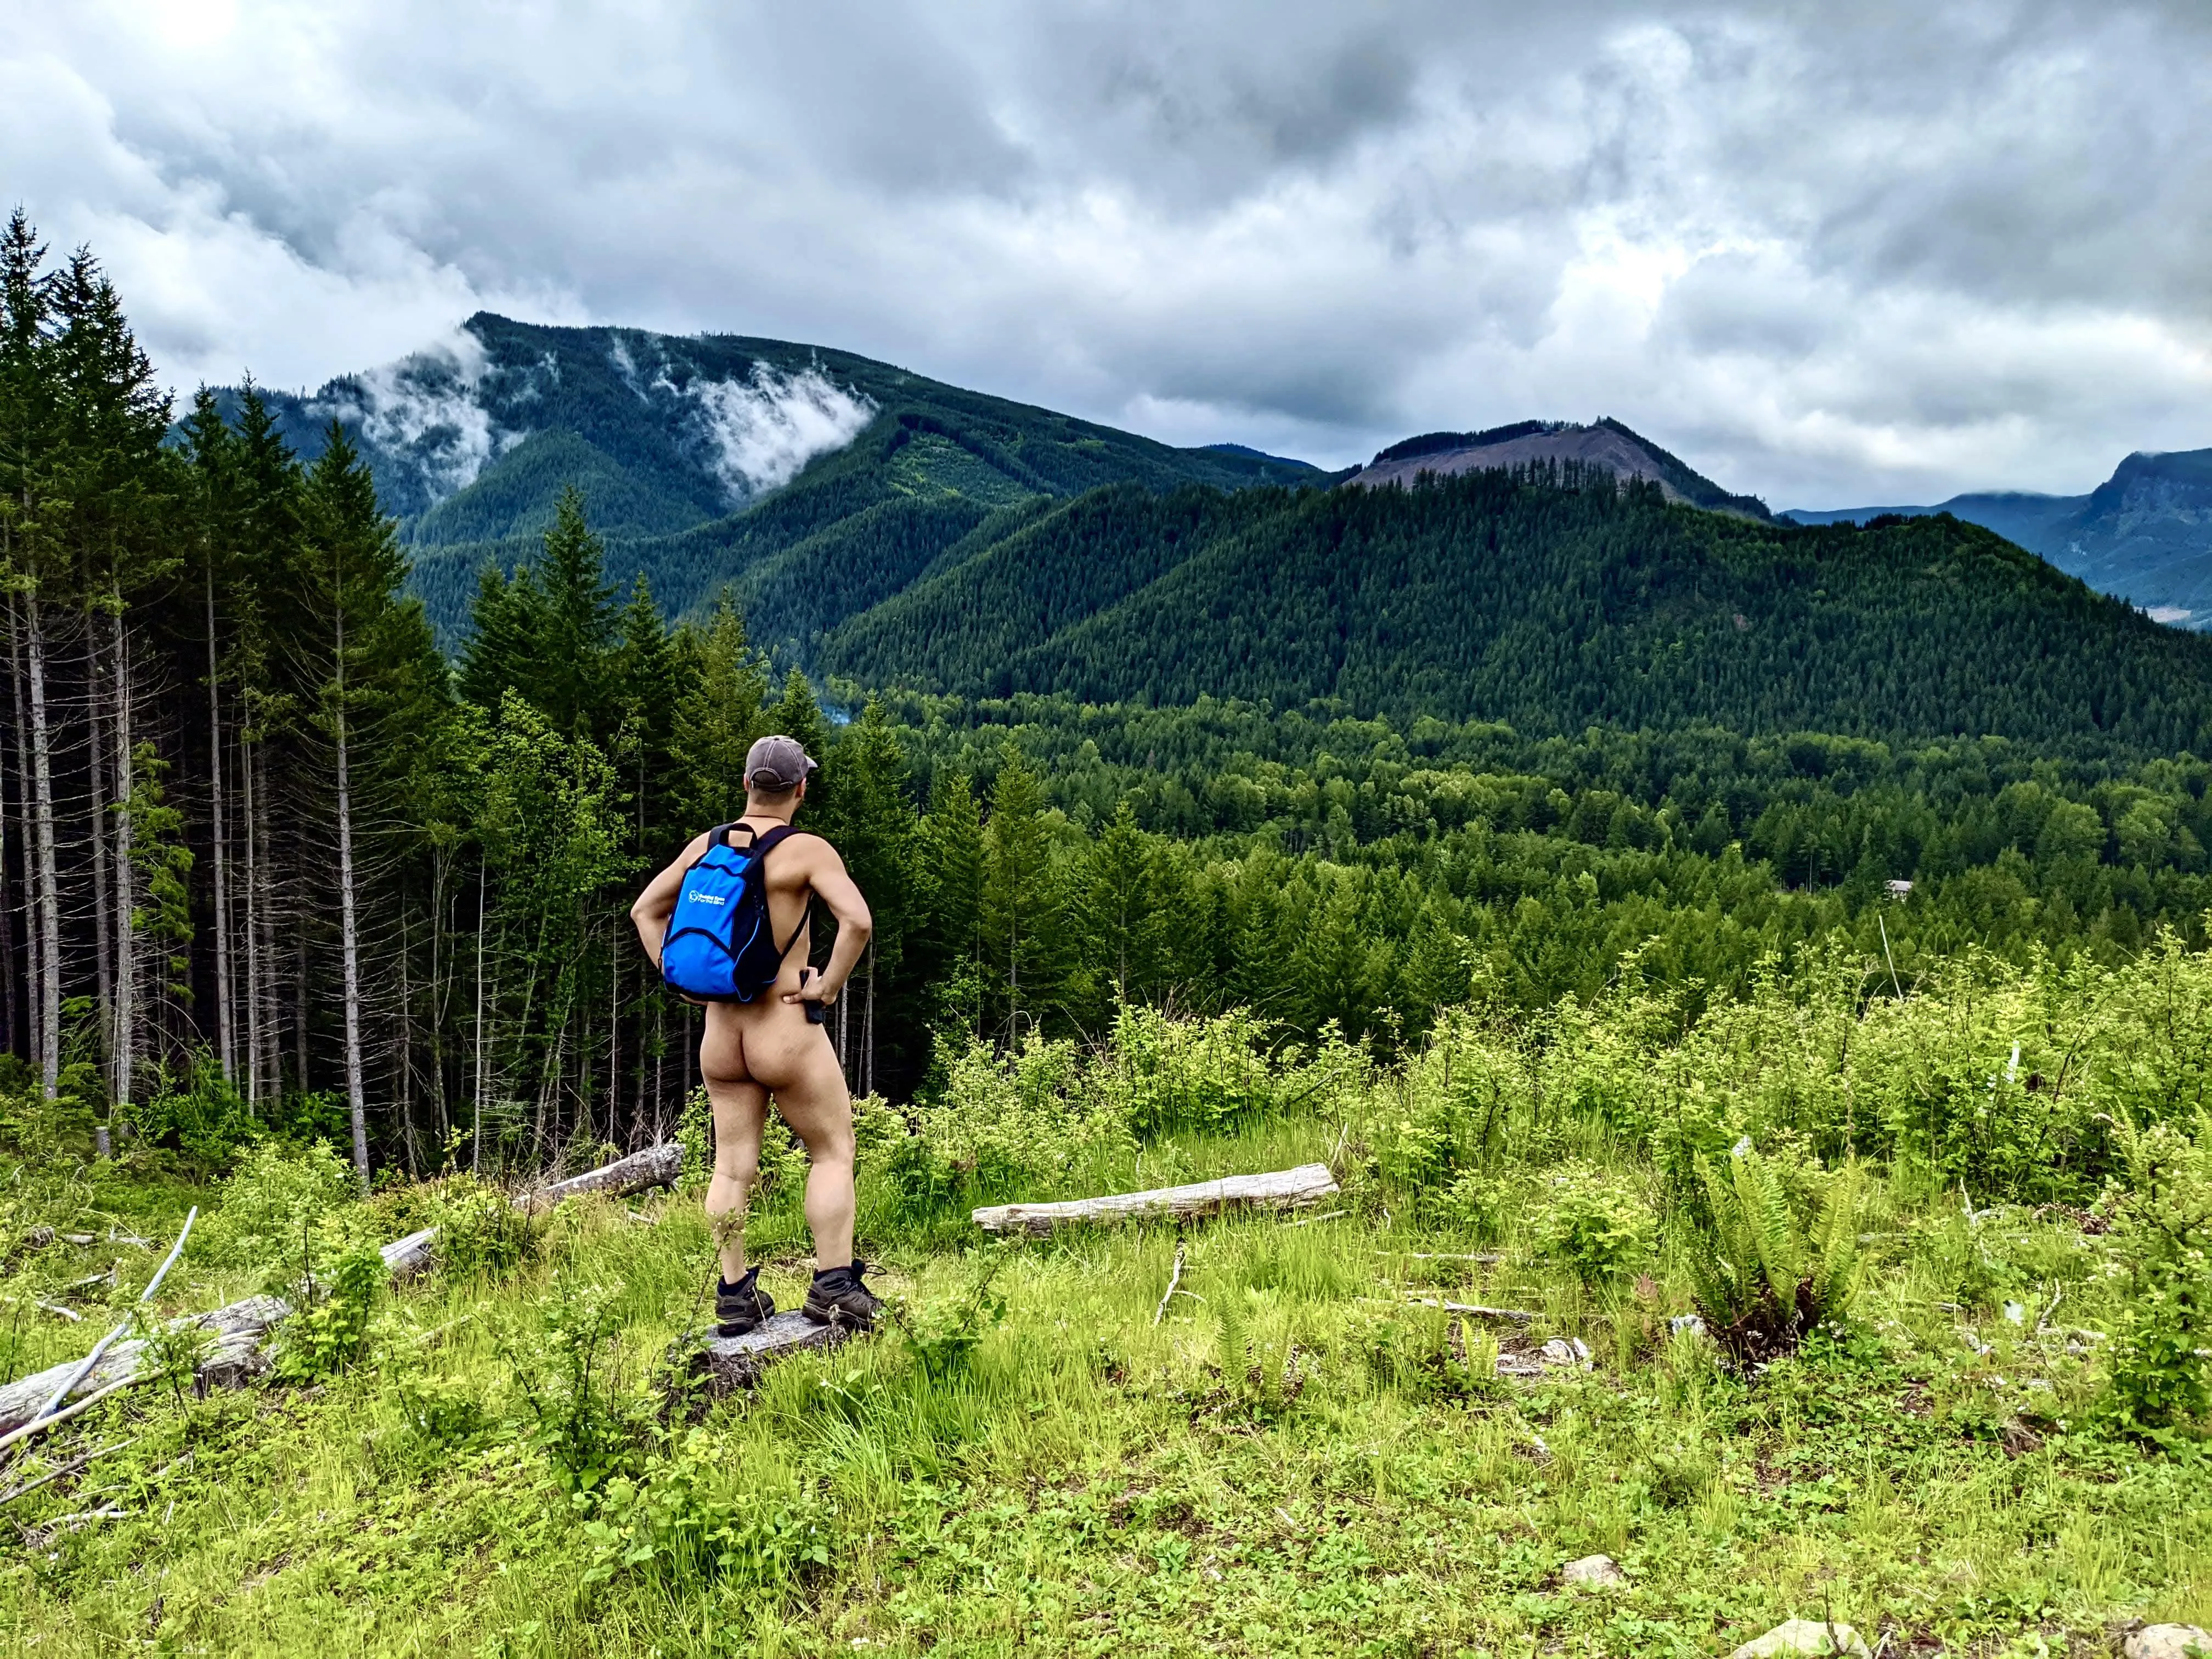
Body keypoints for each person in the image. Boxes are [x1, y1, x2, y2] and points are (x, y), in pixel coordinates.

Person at [629, 734, 881, 1334]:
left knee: (731, 1167)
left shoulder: (706, 847)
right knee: (831, 1150)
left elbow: (644, 910)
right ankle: (834, 1288)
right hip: (784, 1031)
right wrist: (827, 986)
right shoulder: (807, 852)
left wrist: (674, 972)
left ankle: (735, 1295)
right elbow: (858, 921)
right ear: (800, 789)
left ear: (746, 784)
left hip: (722, 1037)